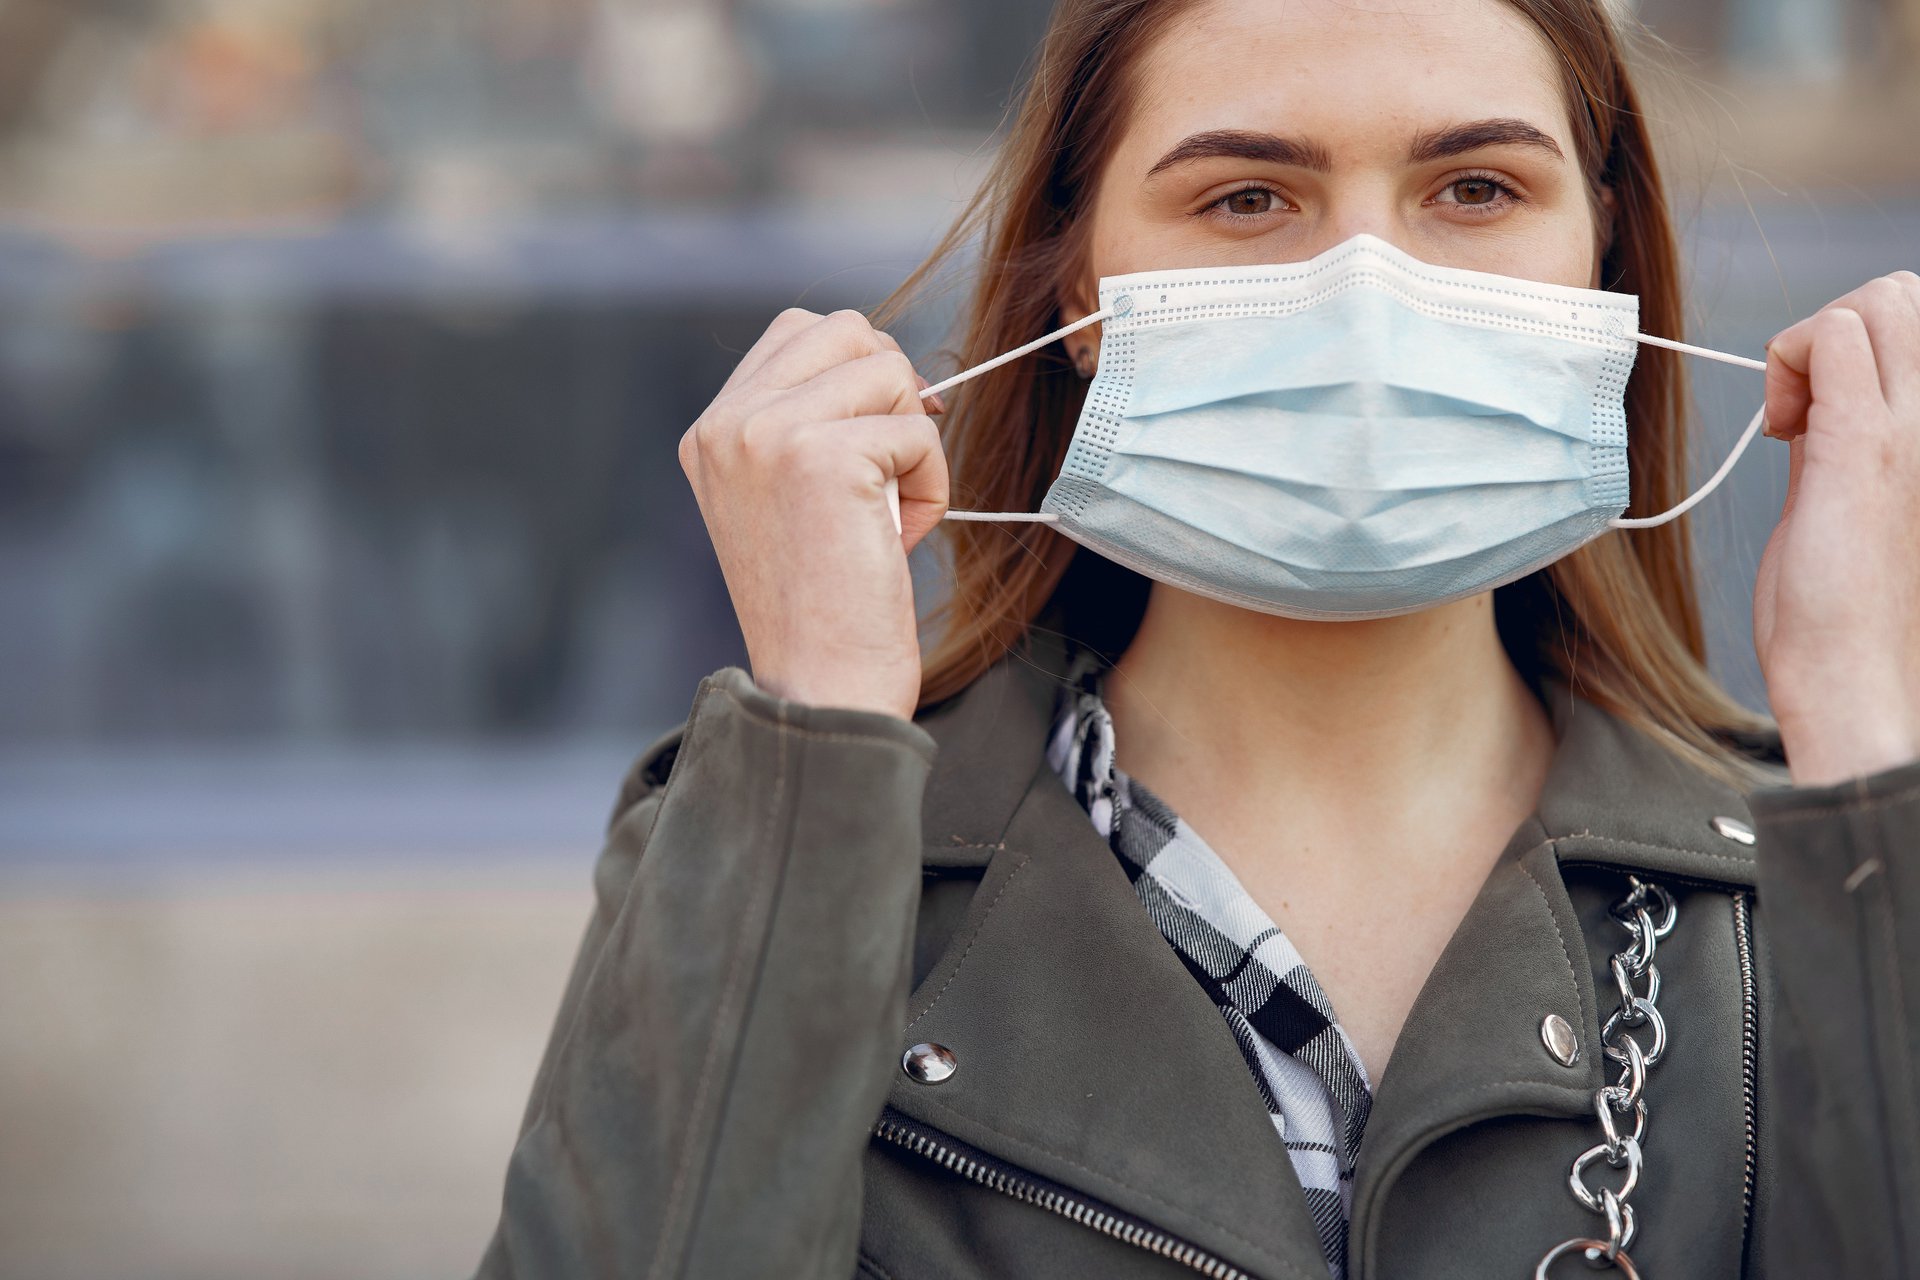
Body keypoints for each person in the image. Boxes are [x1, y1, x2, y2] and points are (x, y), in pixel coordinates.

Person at [475, 0, 1920, 1276]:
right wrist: (828, 739)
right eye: (1246, 198)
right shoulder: (799, 844)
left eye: (1475, 187)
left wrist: (1867, 734)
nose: (1371, 293)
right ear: (1083, 301)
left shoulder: (1804, 881)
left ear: (1605, 261)